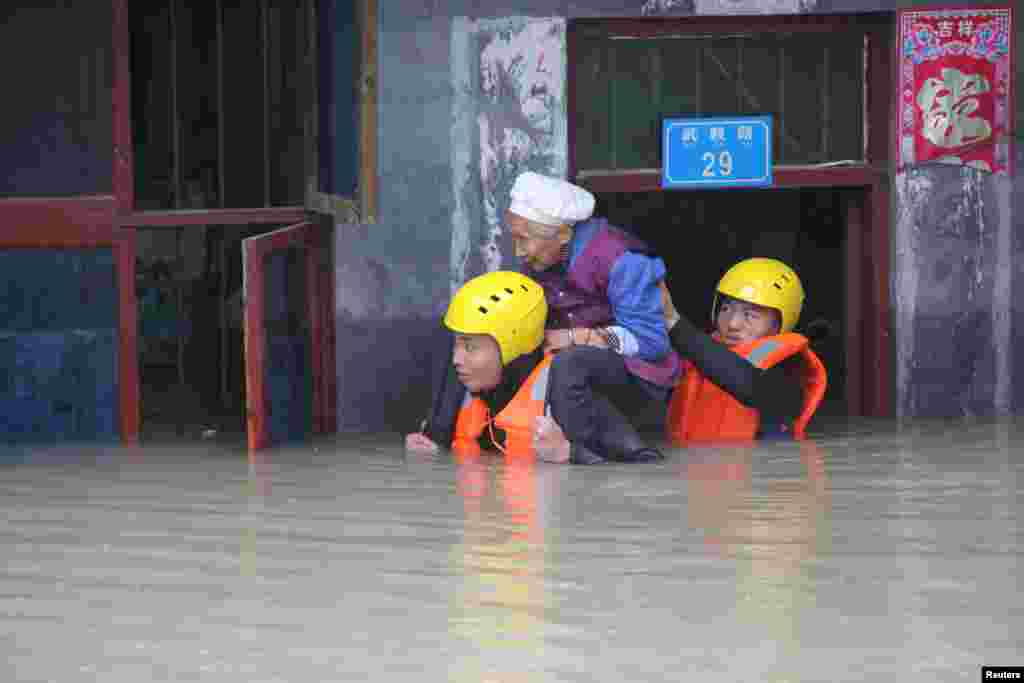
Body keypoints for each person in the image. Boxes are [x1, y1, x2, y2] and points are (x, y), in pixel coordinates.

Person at [504, 171, 681, 456]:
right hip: (574, 384)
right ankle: (442, 435)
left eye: (524, 239)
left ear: (563, 234)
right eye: (514, 238)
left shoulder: (620, 259)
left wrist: (579, 337)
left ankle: (579, 453)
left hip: (639, 382)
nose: (518, 251)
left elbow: (652, 343)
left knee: (571, 363)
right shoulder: (539, 257)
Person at [405, 270, 662, 464]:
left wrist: (568, 453)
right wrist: (432, 446)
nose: (456, 359)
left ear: (512, 345)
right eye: (457, 346)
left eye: (470, 347)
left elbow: (647, 465)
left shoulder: (567, 391)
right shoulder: (467, 381)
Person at [664, 257, 827, 443]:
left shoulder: (788, 376)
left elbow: (747, 383)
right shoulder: (694, 358)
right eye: (726, 309)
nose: (732, 324)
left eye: (750, 315)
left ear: (780, 323)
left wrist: (674, 323)